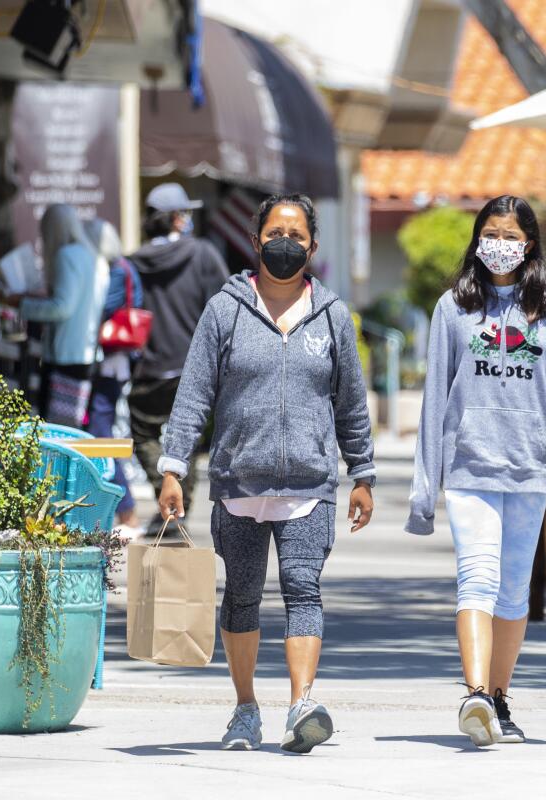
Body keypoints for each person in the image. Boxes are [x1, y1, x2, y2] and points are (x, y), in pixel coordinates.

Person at [156, 193, 376, 754]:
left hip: (308, 485)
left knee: (305, 591)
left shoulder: (331, 316)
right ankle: (246, 709)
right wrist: (173, 467)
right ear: (255, 243)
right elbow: (194, 393)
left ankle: (302, 704)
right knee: (242, 599)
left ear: (313, 246)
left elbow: (350, 402)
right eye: (275, 233)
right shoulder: (224, 310)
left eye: (296, 235)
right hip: (238, 484)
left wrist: (363, 474)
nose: (285, 243)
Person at [406, 194, 546, 748]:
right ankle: (476, 694)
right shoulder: (452, 308)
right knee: (476, 580)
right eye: (491, 234)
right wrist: (424, 488)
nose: (500, 246)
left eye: (512, 236)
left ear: (529, 243)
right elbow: (435, 399)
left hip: (530, 470)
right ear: (476, 239)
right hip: (470, 468)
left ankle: (499, 700)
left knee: (513, 594)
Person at [127, 183, 229, 523]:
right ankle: (179, 503)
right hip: (193, 367)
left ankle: (166, 494)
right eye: (184, 213)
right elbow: (226, 308)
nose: (187, 219)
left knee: (143, 434)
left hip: (148, 367)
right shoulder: (202, 254)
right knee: (189, 441)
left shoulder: (134, 262)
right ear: (174, 219)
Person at [12, 204, 109, 426]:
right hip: (85, 354)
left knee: (56, 436)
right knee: (72, 433)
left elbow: (61, 307)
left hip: (64, 356)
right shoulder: (93, 256)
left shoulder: (67, 255)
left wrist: (23, 303)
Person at [84, 217, 142, 529]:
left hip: (112, 356)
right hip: (118, 357)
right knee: (101, 428)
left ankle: (126, 508)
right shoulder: (125, 267)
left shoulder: (116, 269)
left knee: (100, 430)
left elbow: (105, 307)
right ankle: (122, 508)